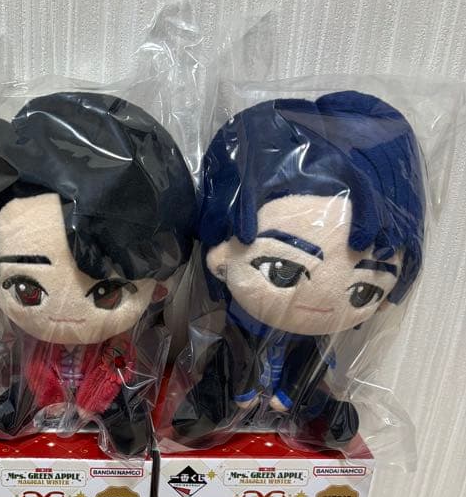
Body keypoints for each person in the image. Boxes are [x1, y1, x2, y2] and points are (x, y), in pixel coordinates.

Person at [171, 91, 426, 448]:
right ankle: (216, 403)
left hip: (297, 395)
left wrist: (288, 396)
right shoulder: (237, 327)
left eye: (363, 290)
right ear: (220, 256)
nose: (320, 300)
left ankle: (317, 414)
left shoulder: (317, 343)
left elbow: (310, 364)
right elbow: (230, 357)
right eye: (281, 270)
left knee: (313, 392)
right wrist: (238, 392)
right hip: (234, 385)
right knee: (223, 371)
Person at [0, 91, 196, 455]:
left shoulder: (115, 342)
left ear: (157, 287)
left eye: (106, 291)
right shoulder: (33, 344)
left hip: (102, 384)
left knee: (116, 394)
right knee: (30, 379)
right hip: (43, 383)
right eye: (27, 289)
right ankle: (29, 401)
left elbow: (119, 365)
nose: (65, 314)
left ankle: (116, 413)